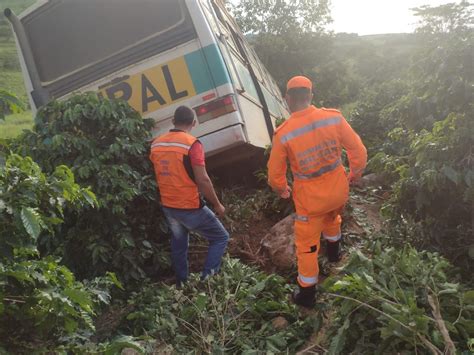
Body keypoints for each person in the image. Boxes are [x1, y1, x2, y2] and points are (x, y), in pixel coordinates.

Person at [267, 76, 367, 307]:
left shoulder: (284, 133)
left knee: (307, 246)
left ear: (288, 99)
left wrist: (282, 190)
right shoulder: (333, 117)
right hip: (338, 191)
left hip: (310, 202)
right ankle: (334, 255)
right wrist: (355, 174)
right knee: (333, 217)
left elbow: (274, 176)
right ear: (310, 96)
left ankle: (307, 294)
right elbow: (358, 152)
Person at [149, 106, 229, 286]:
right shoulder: (192, 144)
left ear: (173, 121)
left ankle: (182, 284)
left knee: (179, 245)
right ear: (193, 123)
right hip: (189, 206)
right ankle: (207, 281)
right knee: (220, 237)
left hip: (169, 206)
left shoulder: (156, 143)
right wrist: (217, 204)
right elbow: (203, 180)